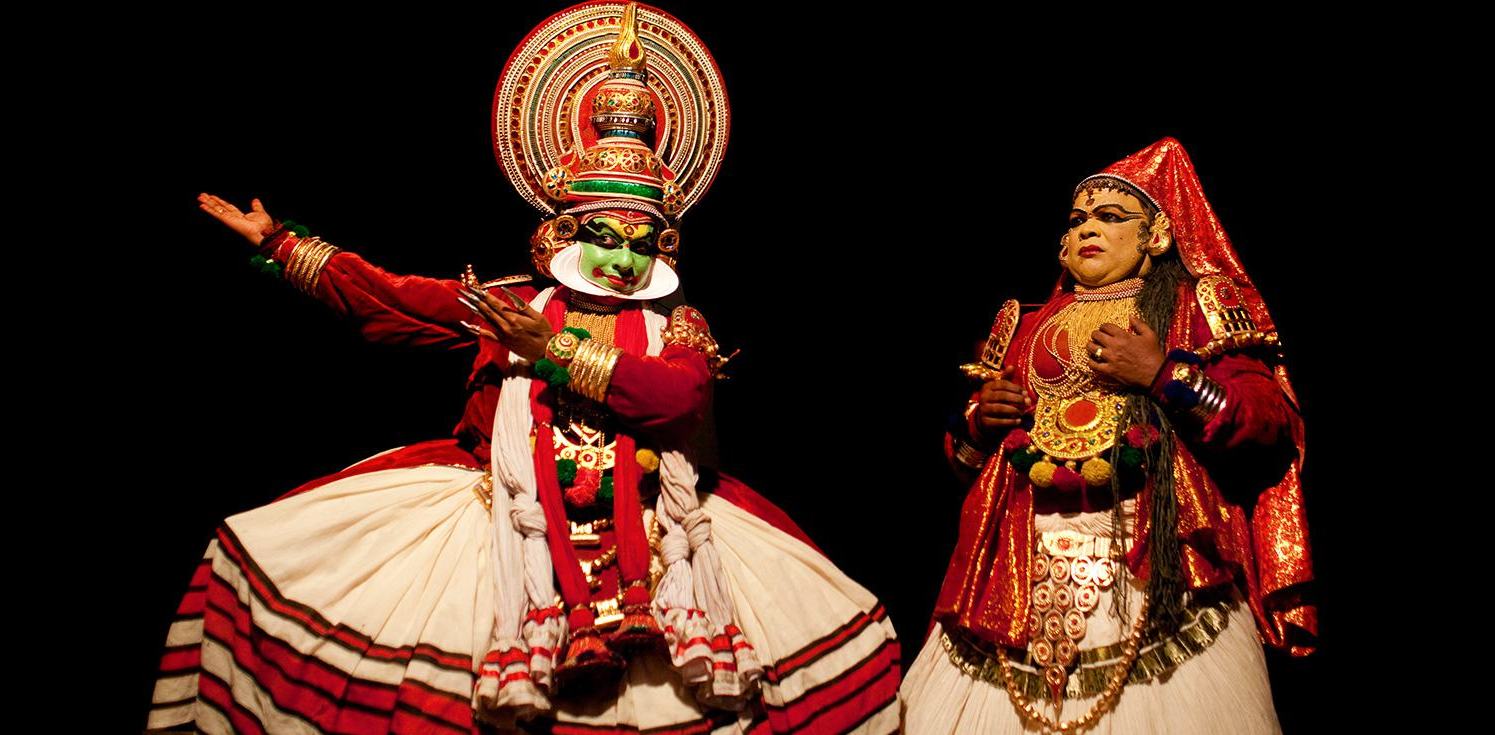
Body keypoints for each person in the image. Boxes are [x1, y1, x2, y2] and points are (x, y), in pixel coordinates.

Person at [147, 4, 899, 733]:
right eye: (605, 237)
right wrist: (281, 245)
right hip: (500, 513)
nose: (623, 258)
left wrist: (551, 352)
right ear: (564, 232)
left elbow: (677, 400)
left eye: (643, 244)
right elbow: (393, 301)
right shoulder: (510, 306)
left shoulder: (680, 327)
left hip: (657, 523)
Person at [900, 138, 1316, 733]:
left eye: (1111, 217)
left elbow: (1266, 423)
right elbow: (965, 463)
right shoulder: (1024, 324)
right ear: (1062, 246)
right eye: (1077, 220)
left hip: (1157, 566)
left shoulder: (1196, 307)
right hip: (1016, 568)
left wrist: (1163, 376)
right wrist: (978, 421)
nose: (1088, 228)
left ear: (1157, 237)